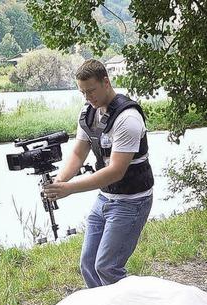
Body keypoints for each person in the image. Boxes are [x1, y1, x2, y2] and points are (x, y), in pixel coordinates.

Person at [43, 59, 154, 288]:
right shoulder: (89, 113)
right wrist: (60, 181)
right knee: (88, 263)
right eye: (83, 92)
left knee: (107, 267)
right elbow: (78, 153)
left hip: (132, 201)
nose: (88, 98)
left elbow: (115, 171)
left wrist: (69, 189)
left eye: (91, 91)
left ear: (106, 81)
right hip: (106, 198)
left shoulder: (128, 118)